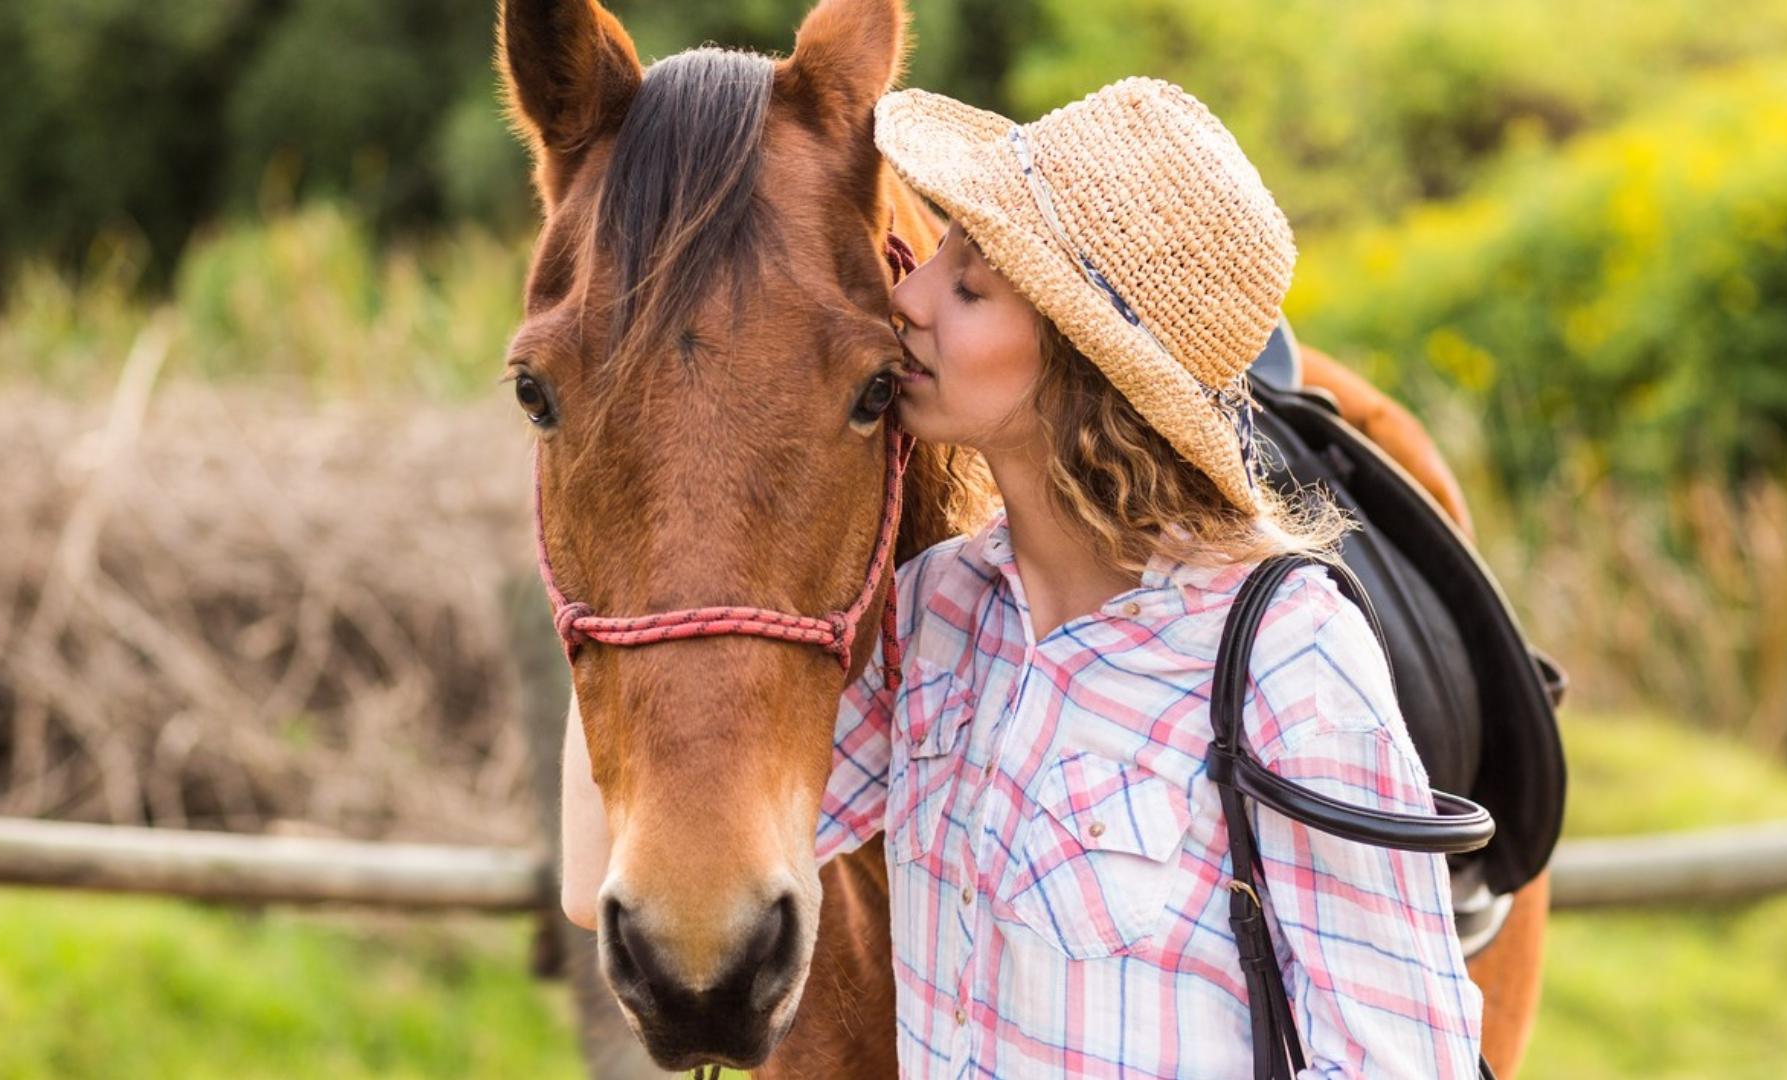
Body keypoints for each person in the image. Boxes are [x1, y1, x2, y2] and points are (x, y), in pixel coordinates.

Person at [568, 76, 1485, 1078]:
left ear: (1081, 361)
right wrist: (630, 482)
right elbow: (603, 872)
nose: (906, 298)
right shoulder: (938, 618)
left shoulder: (1284, 656)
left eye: (967, 286)